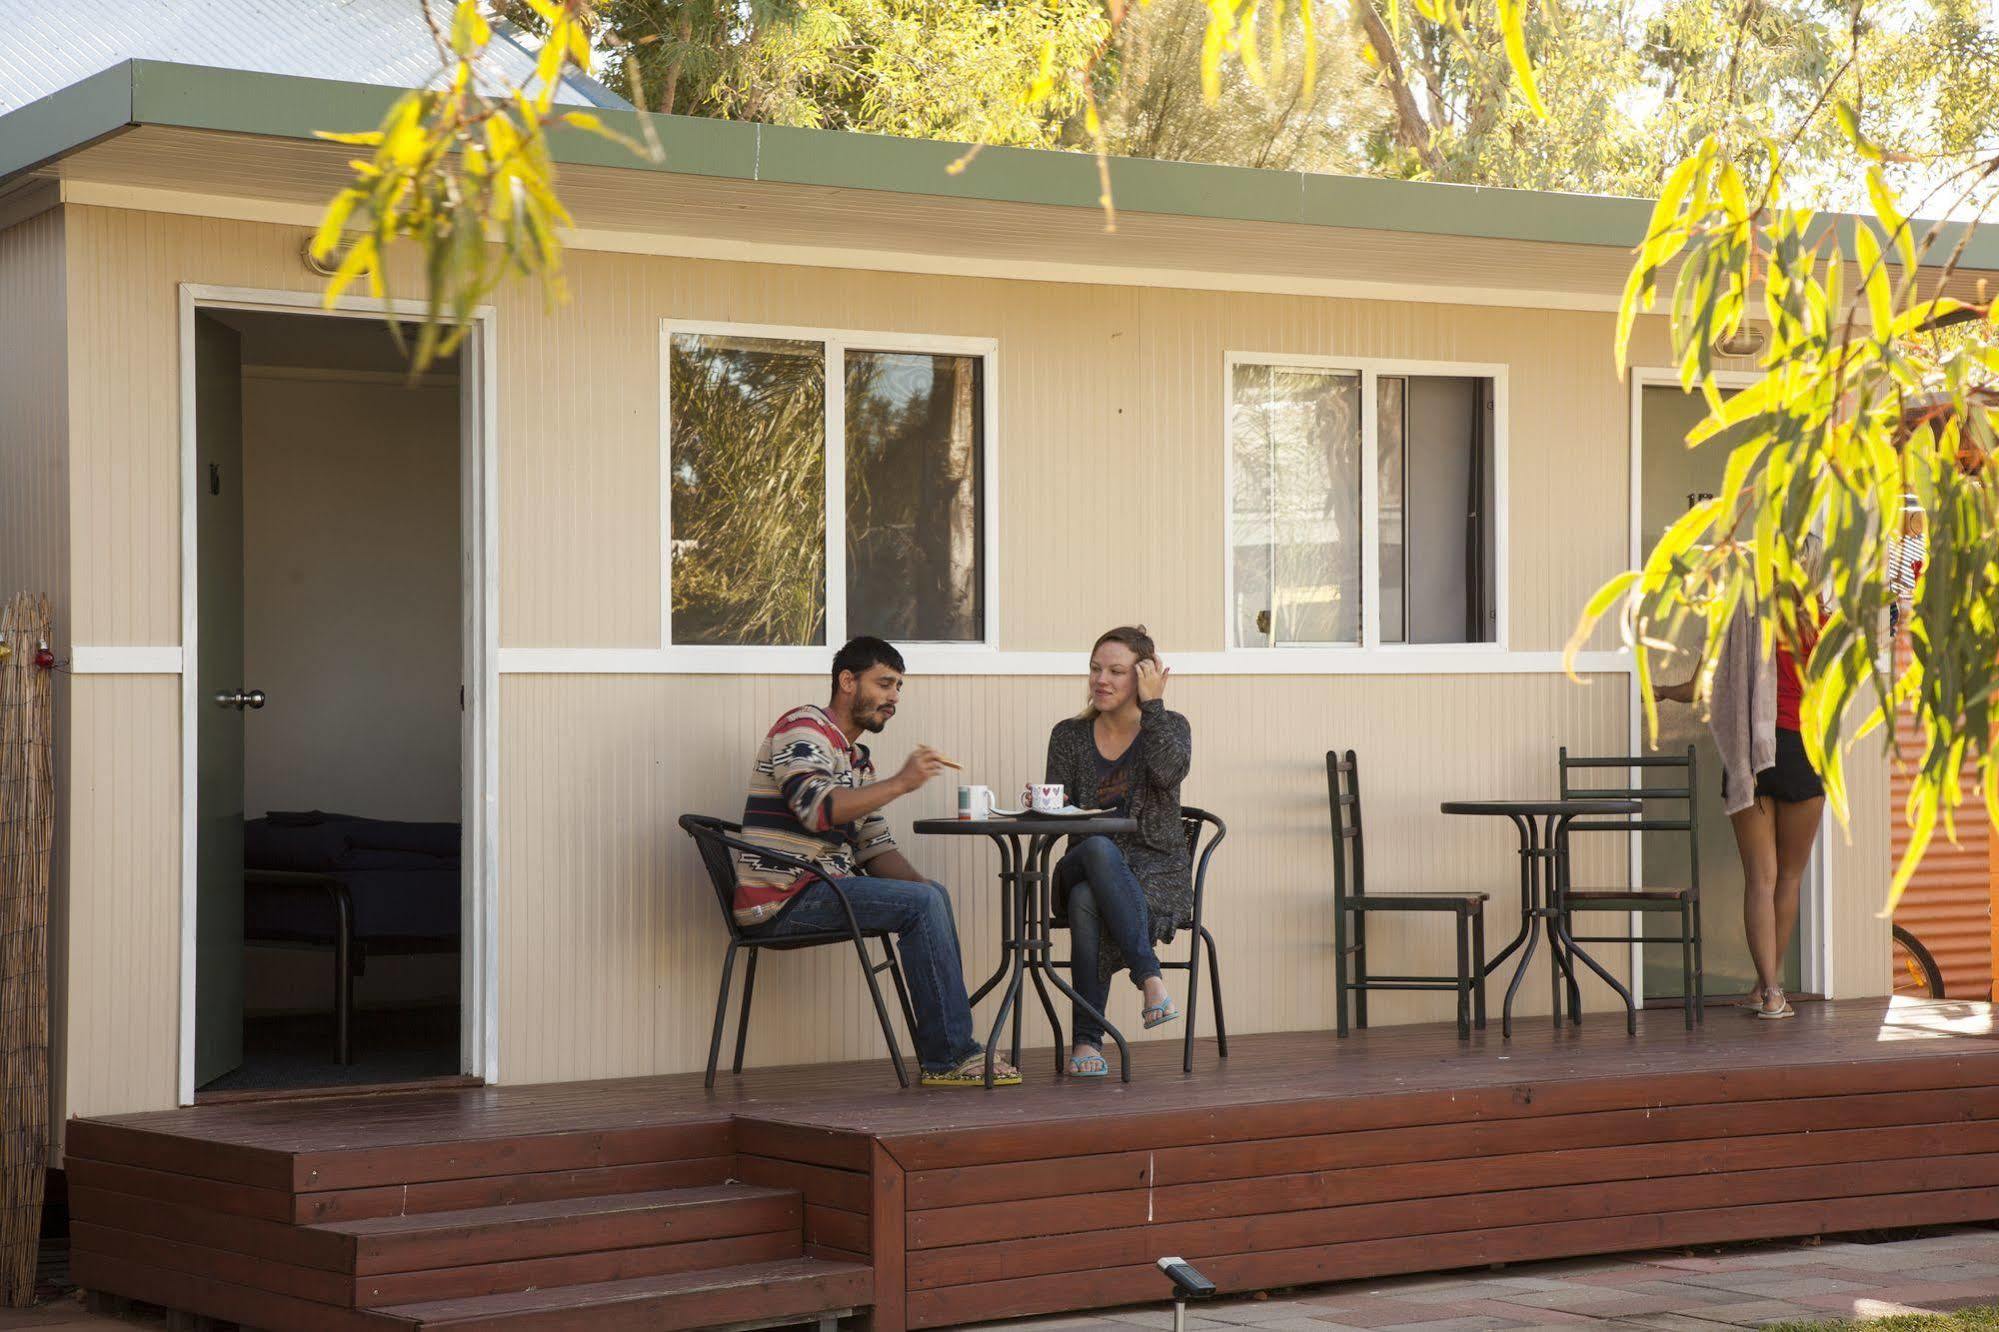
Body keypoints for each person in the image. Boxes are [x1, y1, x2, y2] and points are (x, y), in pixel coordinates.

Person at [735, 636, 1017, 1087]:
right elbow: (819, 808)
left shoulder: (857, 759)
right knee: (922, 904)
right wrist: (902, 783)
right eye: (884, 684)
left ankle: (951, 1048)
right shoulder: (801, 729)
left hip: (821, 889)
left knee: (930, 896)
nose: (893, 698)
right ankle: (949, 1057)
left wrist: (923, 888)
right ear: (847, 681)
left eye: (899, 688)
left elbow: (874, 847)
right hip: (781, 898)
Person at [1654, 555, 1826, 1021]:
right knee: (1788, 878)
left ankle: (1768, 990)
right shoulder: (1820, 624)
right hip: (1802, 750)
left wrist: (1663, 692)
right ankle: (1767, 987)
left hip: (1748, 751)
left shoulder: (1735, 621)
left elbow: (1698, 688)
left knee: (1760, 879)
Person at [1042, 625, 1193, 1077]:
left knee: (1091, 898)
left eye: (1116, 671)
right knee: (1098, 849)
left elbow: (1169, 774)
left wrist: (1155, 708)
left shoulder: (1170, 727)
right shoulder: (1068, 735)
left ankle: (1087, 1043)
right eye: (1095, 669)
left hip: (1155, 873)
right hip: (1082, 860)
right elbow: (1056, 811)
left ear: (1142, 677)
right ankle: (1149, 978)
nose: (1100, 680)